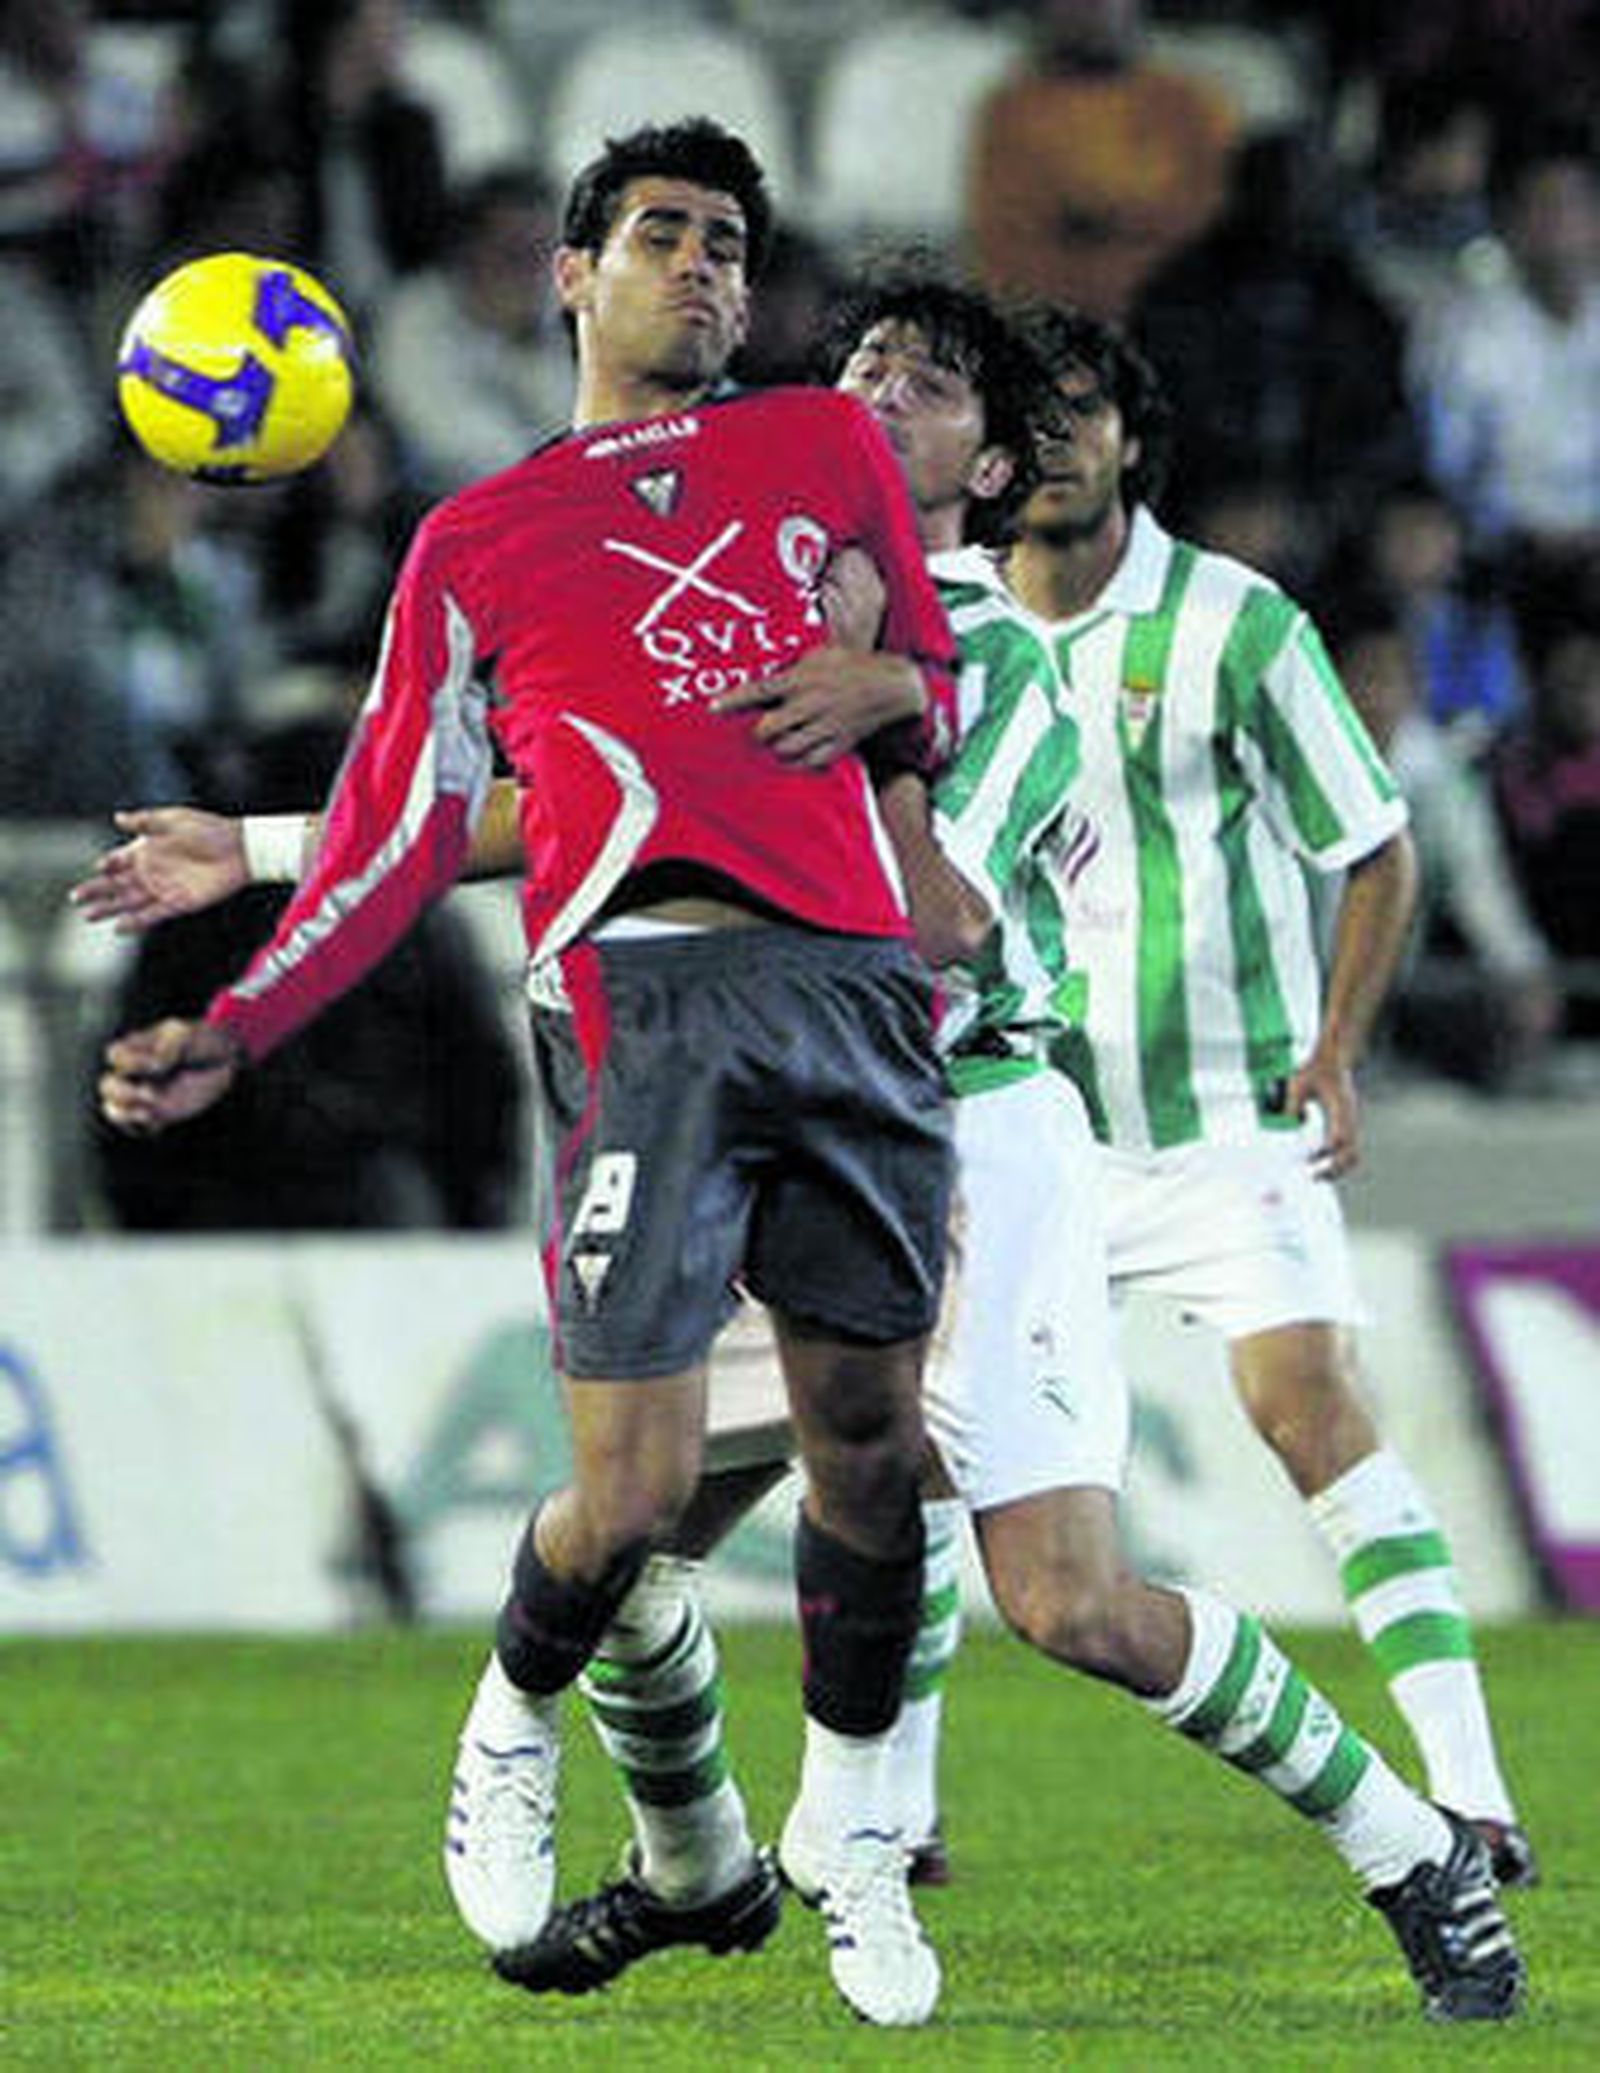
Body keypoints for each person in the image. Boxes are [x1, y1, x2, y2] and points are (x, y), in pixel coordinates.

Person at [81, 272, 1529, 2026]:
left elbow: (932, 926)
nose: (870, 392)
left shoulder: (992, 658)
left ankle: (1408, 1845)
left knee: (1068, 1598)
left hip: (968, 1134)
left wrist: (887, 705)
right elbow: (575, 810)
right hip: (757, 1099)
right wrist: (252, 843)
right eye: (858, 365)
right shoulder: (763, 606)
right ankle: (699, 1861)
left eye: (923, 385)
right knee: (622, 1521)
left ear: (992, 469)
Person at [95, 118, 962, 2031]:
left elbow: (936, 679)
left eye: (730, 239)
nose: (705, 266)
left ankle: (859, 1853)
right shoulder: (476, 539)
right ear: (574, 275)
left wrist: (896, 691)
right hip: (639, 1007)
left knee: (875, 1448)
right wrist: (236, 1017)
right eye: (661, 234)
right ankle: (507, 1716)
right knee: (633, 1482)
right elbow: (402, 829)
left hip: (846, 988)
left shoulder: (825, 442)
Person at [984, 303, 1537, 1897]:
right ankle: (882, 1818)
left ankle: (1475, 1797)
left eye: (1085, 411)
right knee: (918, 1461)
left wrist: (1338, 1045)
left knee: (1309, 1408)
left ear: (1131, 439)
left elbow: (1377, 845)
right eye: (1033, 418)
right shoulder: (948, 623)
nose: (1058, 442)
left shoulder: (1237, 623)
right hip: (1030, 1121)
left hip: (1230, 1118)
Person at [966, 0, 1240, 324]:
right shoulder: (1011, 112)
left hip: (1186, 326)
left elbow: (1214, 224)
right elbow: (1011, 247)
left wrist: (1095, 219)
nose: (1089, 9)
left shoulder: (1193, 104)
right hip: (1062, 333)